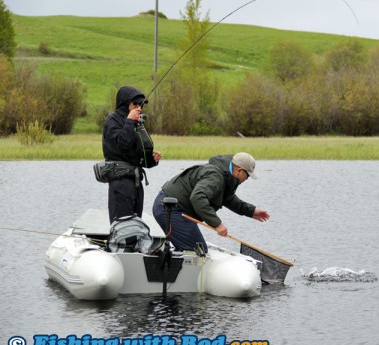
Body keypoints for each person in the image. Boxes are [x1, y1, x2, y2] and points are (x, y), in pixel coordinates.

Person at [152, 152, 270, 253]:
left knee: (198, 249)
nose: (247, 179)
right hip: (169, 209)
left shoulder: (226, 177)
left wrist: (251, 211)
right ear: (239, 170)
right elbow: (198, 198)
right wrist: (217, 224)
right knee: (197, 250)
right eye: (247, 175)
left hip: (176, 209)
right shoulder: (216, 176)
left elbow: (228, 198)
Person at [102, 86, 161, 222]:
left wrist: (152, 160)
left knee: (135, 225)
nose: (139, 108)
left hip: (136, 182)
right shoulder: (113, 120)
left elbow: (136, 154)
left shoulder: (135, 123)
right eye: (135, 104)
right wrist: (129, 121)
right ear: (125, 103)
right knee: (123, 226)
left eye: (140, 105)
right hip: (120, 182)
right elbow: (122, 144)